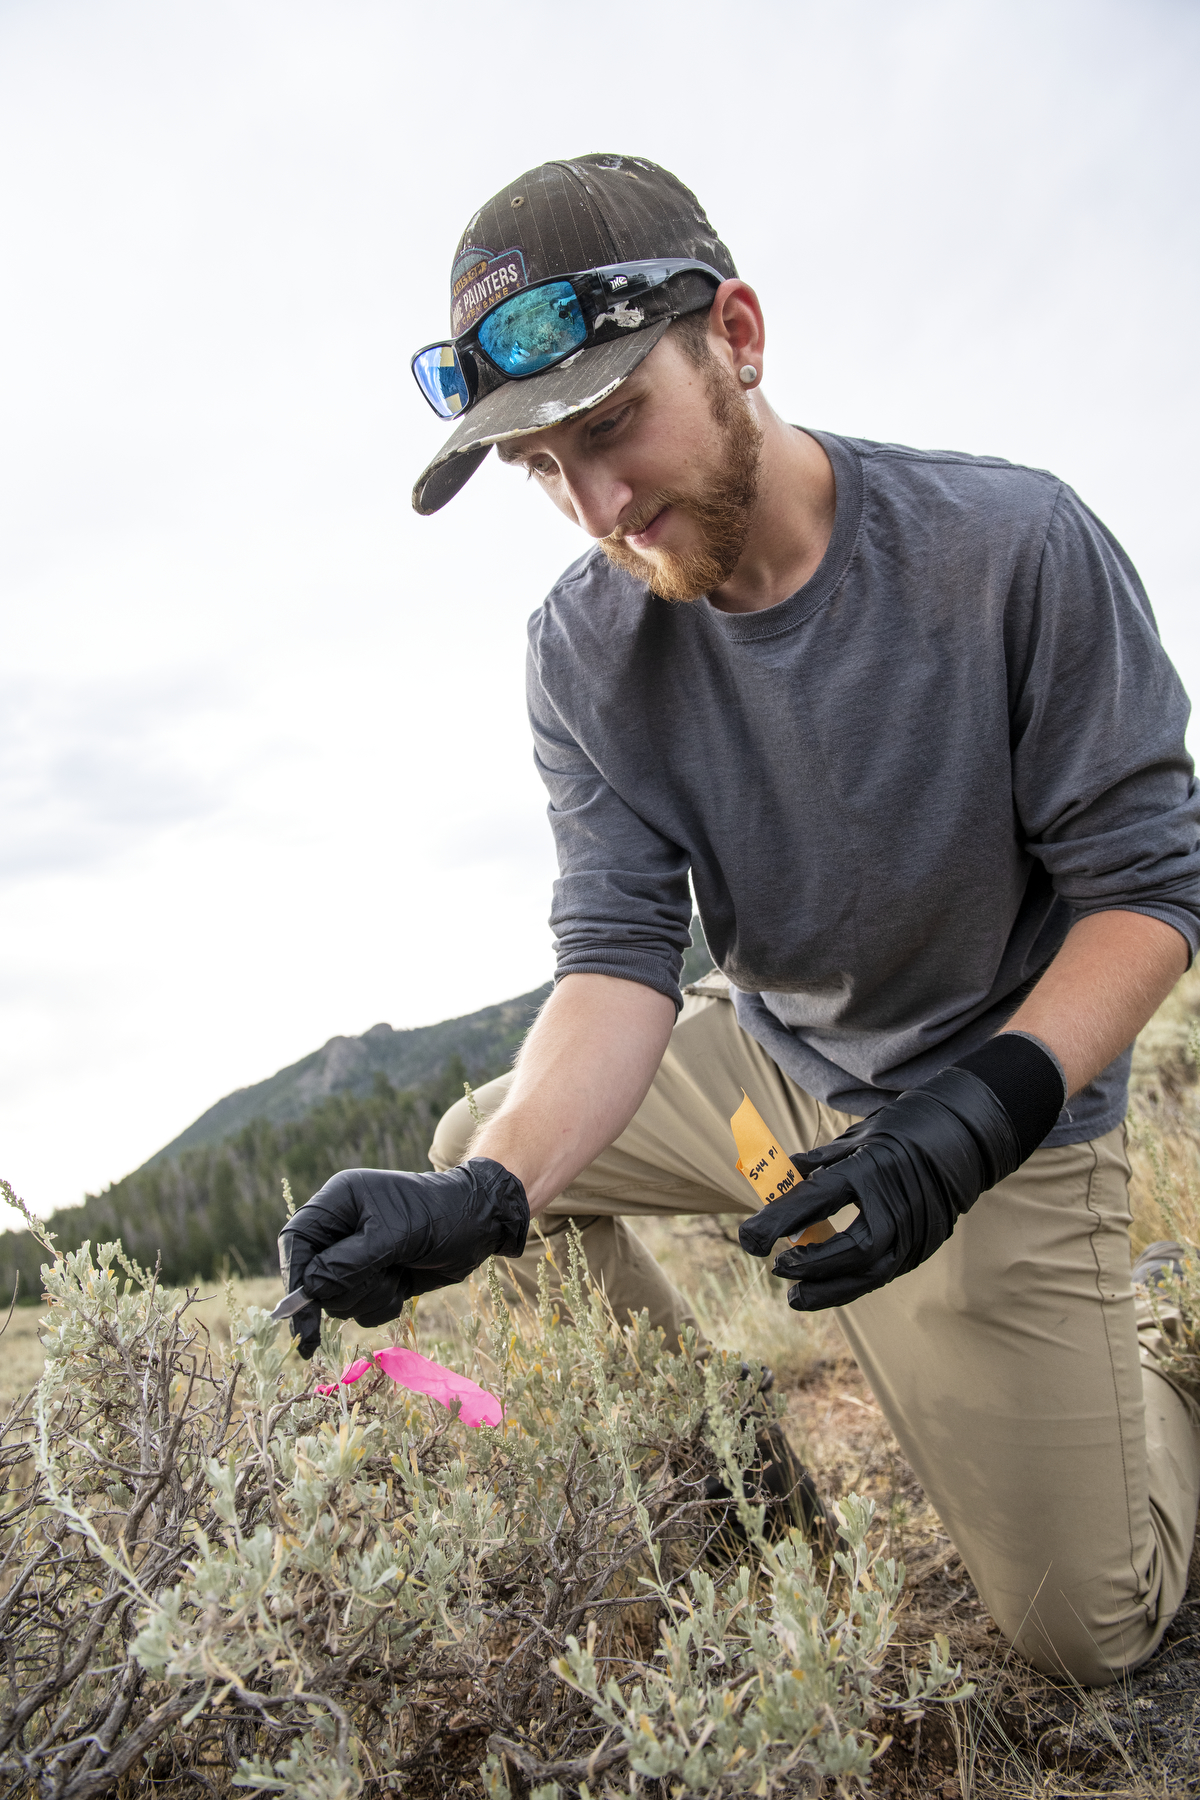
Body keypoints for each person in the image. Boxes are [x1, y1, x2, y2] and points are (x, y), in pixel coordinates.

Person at [279, 155, 1200, 1686]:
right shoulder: (580, 651)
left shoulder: (1012, 549)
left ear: (740, 338)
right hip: (772, 1074)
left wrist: (975, 1120)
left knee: (1086, 1632)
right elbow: (619, 963)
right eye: (541, 472)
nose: (597, 505)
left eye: (609, 427)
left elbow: (1151, 891)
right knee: (476, 1154)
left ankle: (1161, 1385)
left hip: (1005, 1097)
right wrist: (494, 1200)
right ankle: (751, 1528)